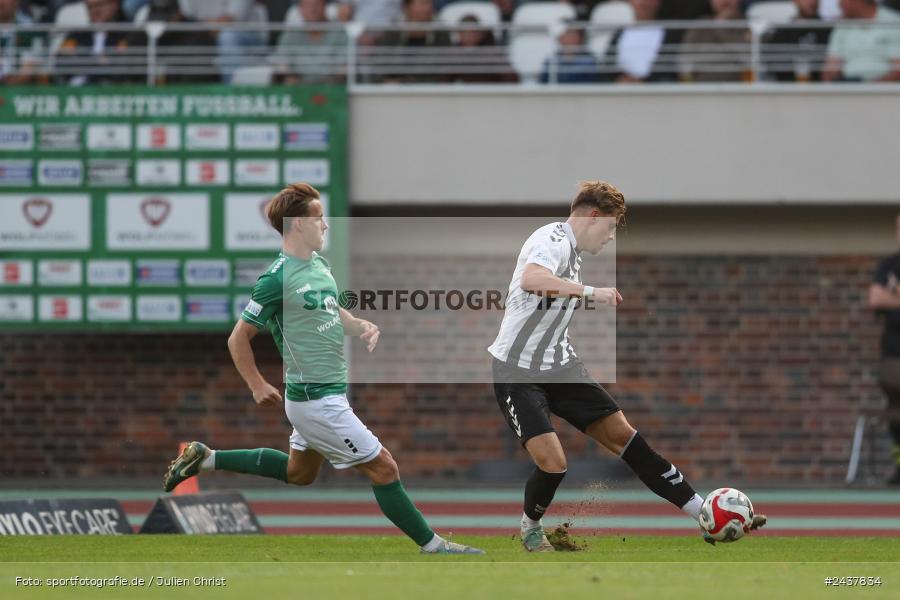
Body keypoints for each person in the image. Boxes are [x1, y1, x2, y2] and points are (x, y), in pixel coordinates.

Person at [163, 183, 484, 555]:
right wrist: (256, 384)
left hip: (327, 394)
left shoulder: (318, 265)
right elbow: (238, 338)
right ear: (298, 224)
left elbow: (330, 308)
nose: (326, 226)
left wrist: (358, 324)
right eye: (319, 219)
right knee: (384, 468)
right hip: (315, 400)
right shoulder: (276, 279)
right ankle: (433, 546)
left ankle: (208, 458)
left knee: (300, 473)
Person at [488, 181, 767, 551]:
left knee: (627, 438)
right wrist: (592, 292)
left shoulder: (573, 254)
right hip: (517, 373)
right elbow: (532, 279)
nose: (610, 237)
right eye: (610, 227)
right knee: (554, 463)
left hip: (560, 366)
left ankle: (705, 513)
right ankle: (531, 527)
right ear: (593, 216)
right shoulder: (551, 239)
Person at [868, 213, 900, 485]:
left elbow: (887, 296)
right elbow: (876, 297)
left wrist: (896, 294)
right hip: (894, 355)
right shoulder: (889, 265)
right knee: (895, 408)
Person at [176, 0, 267, 82]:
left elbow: (230, 20)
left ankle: (232, 93)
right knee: (188, 39)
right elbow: (185, 16)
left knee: (228, 36)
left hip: (249, 38)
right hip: (204, 34)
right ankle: (191, 92)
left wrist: (209, 26)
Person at [57, 0, 132, 86]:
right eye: (90, 7)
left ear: (115, 5)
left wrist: (81, 61)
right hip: (76, 91)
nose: (95, 10)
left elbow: (124, 64)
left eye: (99, 5)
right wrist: (97, 61)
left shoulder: (128, 34)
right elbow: (61, 60)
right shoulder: (76, 36)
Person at [823, 0, 900, 82]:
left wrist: (871, 88)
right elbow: (830, 68)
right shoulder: (842, 27)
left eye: (842, 0)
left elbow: (897, 70)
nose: (839, 4)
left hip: (887, 91)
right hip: (847, 87)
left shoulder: (893, 22)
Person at [377, 0, 452, 83]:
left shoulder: (441, 31)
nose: (428, 8)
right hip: (397, 91)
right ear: (407, 7)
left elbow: (446, 71)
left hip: (432, 89)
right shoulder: (393, 32)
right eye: (423, 4)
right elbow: (381, 68)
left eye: (430, 3)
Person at [678, 0, 751, 82]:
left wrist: (721, 27)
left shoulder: (749, 24)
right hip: (701, 88)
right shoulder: (699, 26)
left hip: (741, 90)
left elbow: (748, 59)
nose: (725, 1)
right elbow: (684, 64)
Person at [275, 0, 346, 84]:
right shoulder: (290, 34)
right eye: (307, 5)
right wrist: (289, 76)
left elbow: (344, 68)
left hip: (332, 90)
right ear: (300, 10)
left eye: (317, 4)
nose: (312, 10)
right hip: (296, 90)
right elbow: (281, 65)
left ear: (325, 7)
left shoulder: (339, 33)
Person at [762, 0, 832, 82]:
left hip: (821, 90)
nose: (812, 2)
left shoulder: (829, 31)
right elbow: (772, 66)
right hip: (787, 90)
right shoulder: (782, 33)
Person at [448, 14, 517, 83]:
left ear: (480, 34)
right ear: (459, 34)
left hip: (490, 91)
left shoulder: (492, 51)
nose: (469, 35)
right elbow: (443, 79)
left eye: (473, 32)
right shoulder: (453, 53)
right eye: (465, 32)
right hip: (464, 92)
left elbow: (512, 78)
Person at [0, 0, 45, 84]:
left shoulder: (29, 29)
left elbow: (27, 73)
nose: (1, 2)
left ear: (16, 2)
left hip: (18, 90)